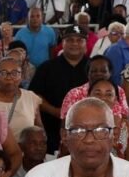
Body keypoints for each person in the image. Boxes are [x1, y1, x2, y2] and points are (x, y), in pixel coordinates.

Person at [29, 26, 90, 154]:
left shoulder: (95, 68)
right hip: (52, 131)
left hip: (89, 132)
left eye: (79, 40)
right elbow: (34, 96)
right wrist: (56, 111)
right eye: (70, 40)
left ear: (86, 44)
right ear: (62, 43)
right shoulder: (46, 68)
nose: (74, 44)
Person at [0, 57, 43, 141]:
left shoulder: (30, 97)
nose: (9, 77)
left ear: (21, 76)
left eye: (15, 73)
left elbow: (39, 131)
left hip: (23, 149)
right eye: (3, 73)